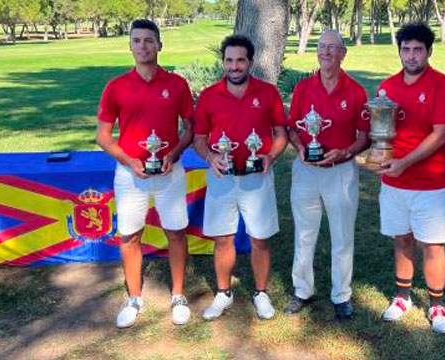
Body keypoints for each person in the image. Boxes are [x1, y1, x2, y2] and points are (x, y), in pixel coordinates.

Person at [96, 19, 194, 328]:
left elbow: (191, 130)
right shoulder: (116, 87)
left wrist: (173, 154)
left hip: (169, 171)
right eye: (137, 40)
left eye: (149, 40)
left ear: (159, 45)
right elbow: (103, 136)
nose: (143, 46)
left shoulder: (177, 84)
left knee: (176, 232)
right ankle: (134, 298)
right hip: (130, 174)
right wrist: (128, 160)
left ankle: (178, 295)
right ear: (130, 45)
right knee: (129, 235)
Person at [193, 35, 288, 320]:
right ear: (223, 62)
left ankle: (261, 293)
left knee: (260, 239)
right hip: (222, 178)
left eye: (240, 60)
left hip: (256, 178)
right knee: (223, 239)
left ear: (251, 62)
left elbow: (281, 134)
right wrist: (210, 157)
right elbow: (198, 138)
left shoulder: (268, 93)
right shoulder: (209, 96)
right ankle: (223, 293)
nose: (234, 66)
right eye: (229, 60)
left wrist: (270, 156)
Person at [376, 23, 445, 334]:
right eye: (406, 49)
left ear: (428, 52)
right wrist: (382, 161)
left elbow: (441, 135)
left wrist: (403, 162)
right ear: (399, 51)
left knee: (432, 245)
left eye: (418, 50)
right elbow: (380, 134)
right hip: (394, 183)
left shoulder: (443, 85)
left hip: (431, 182)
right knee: (402, 239)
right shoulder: (386, 88)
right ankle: (402, 297)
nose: (411, 56)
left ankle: (436, 303)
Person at [284, 30, 370, 320]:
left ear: (343, 53)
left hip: (341, 171)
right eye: (321, 47)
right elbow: (292, 128)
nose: (326, 52)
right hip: (306, 170)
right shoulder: (303, 88)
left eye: (333, 48)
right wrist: (300, 148)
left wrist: (346, 152)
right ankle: (302, 290)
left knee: (342, 236)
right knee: (304, 234)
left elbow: (364, 136)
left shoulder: (356, 90)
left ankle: (341, 295)